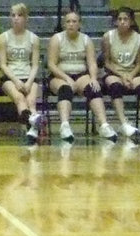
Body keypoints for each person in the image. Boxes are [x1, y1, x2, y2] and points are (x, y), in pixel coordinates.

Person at [47, 10, 114, 143]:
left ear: (79, 24)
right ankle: (65, 126)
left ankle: (104, 125)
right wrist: (67, 78)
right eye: (68, 21)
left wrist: (93, 78)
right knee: (65, 89)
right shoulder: (57, 39)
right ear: (64, 24)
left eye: (74, 21)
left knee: (94, 88)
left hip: (81, 74)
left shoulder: (86, 39)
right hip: (60, 75)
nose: (71, 24)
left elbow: (92, 63)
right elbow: (51, 64)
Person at [101, 7, 140, 143]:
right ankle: (124, 123)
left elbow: (139, 64)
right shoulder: (108, 37)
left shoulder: (139, 38)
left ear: (132, 21)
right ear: (115, 22)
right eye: (120, 19)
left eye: (126, 19)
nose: (123, 22)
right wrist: (122, 75)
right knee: (115, 86)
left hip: (132, 72)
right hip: (114, 72)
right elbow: (106, 62)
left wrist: (130, 76)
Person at [0, 3, 42, 143]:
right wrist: (16, 81)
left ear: (26, 18)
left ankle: (31, 130)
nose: (16, 18)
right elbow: (3, 64)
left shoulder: (34, 38)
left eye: (20, 15)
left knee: (31, 101)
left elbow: (35, 65)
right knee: (19, 99)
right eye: (13, 15)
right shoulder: (3, 37)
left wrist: (28, 82)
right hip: (11, 77)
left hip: (29, 76)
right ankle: (31, 126)